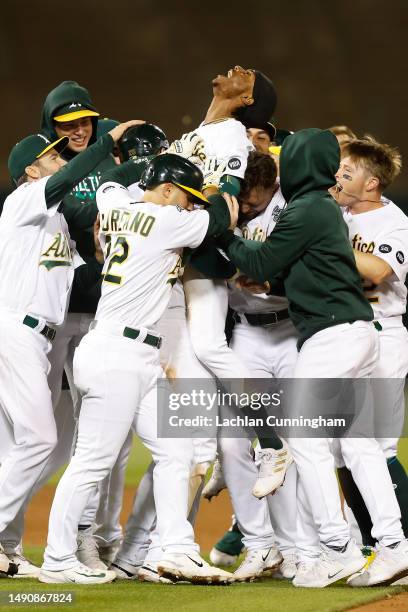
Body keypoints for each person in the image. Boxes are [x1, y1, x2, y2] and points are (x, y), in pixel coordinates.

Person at [40, 153, 237, 585]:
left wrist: (143, 163)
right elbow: (220, 216)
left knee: (175, 449)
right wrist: (229, 180)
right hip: (118, 354)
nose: (190, 206)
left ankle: (175, 549)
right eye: (185, 197)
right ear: (166, 190)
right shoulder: (166, 221)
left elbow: (111, 181)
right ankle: (57, 559)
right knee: (92, 461)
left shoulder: (113, 206)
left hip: (133, 352)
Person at [215, 127, 389, 588]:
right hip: (353, 332)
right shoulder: (322, 207)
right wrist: (270, 282)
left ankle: (337, 549)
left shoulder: (308, 207)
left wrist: (224, 231)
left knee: (305, 441)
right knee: (357, 444)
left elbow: (258, 261)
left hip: (332, 337)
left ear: (295, 165)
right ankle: (394, 544)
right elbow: (298, 274)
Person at [0, 120, 139, 581]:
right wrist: (107, 144)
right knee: (39, 438)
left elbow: (91, 274)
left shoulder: (56, 218)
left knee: (47, 448)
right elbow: (68, 177)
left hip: (39, 340)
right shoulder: (22, 202)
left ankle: (7, 549)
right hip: (14, 329)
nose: (61, 160)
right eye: (53, 156)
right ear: (32, 171)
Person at [184, 66, 291, 500]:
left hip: (203, 250)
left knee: (208, 348)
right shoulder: (208, 130)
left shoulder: (231, 137)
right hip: (185, 250)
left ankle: (269, 441)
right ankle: (215, 448)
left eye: (244, 77)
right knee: (189, 360)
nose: (234, 71)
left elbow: (225, 210)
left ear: (246, 100)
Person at [205, 152, 299, 581]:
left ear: (271, 185)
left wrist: (269, 277)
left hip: (291, 333)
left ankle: (302, 546)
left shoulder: (291, 206)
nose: (246, 206)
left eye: (253, 198)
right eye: (240, 197)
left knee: (299, 442)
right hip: (245, 335)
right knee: (233, 442)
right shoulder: (224, 206)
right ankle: (260, 546)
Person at [332, 135, 408, 587]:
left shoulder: (393, 221)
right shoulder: (338, 215)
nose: (338, 177)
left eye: (348, 172)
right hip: (349, 335)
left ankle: (399, 546)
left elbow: (379, 272)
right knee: (344, 450)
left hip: (384, 336)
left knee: (376, 447)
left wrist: (325, 244)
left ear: (373, 182)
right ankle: (373, 544)